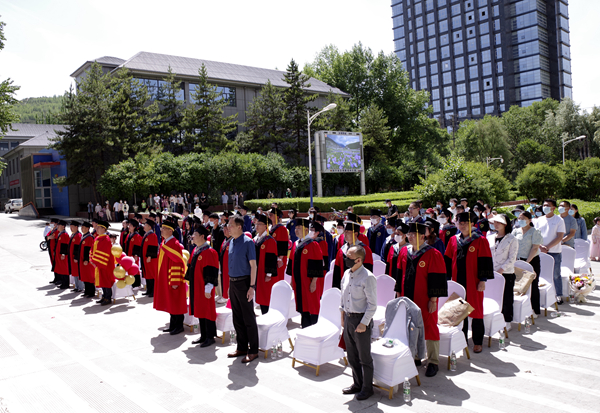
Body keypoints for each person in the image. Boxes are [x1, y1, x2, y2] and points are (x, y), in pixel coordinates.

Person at [395, 222, 447, 377]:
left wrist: (433, 300)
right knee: (410, 325)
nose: (410, 237)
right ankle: (416, 356)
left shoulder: (433, 254)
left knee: (429, 326)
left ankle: (433, 361)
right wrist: (398, 293)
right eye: (409, 234)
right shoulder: (404, 251)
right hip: (407, 296)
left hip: (424, 298)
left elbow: (437, 279)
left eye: (413, 234)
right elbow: (399, 273)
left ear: (422, 236)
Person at [444, 211, 494, 353]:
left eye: (465, 223)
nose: (462, 226)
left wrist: (483, 280)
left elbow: (485, 261)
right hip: (457, 281)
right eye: (460, 223)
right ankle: (463, 340)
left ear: (472, 224)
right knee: (460, 311)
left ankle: (478, 341)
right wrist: (448, 280)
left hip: (474, 281)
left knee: (476, 310)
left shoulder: (480, 240)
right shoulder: (453, 240)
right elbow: (448, 260)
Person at [340, 245, 377, 400]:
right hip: (348, 318)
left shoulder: (368, 277)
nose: (346, 259)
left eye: (349, 257)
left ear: (359, 260)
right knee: (352, 356)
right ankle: (357, 384)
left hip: (360, 320)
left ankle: (367, 388)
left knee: (364, 357)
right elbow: (343, 297)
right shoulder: (346, 273)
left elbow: (372, 305)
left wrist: (364, 323)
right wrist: (342, 316)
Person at [226, 215, 259, 363]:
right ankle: (242, 347)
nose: (228, 227)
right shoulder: (231, 242)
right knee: (237, 317)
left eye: (231, 225)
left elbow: (253, 266)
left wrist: (252, 287)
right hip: (233, 282)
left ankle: (253, 350)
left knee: (248, 317)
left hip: (244, 282)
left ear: (239, 227)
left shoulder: (248, 242)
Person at [287, 218, 324, 328]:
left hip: (308, 281)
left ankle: (314, 328)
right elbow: (292, 263)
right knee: (303, 306)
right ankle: (305, 327)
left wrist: (314, 282)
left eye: (299, 228)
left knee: (311, 305)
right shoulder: (296, 244)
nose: (296, 230)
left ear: (306, 230)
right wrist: (292, 280)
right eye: (295, 228)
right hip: (299, 281)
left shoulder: (313, 244)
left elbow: (317, 264)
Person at [186, 224, 219, 347]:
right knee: (200, 310)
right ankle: (203, 335)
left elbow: (211, 271)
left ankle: (210, 336)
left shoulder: (209, 252)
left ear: (202, 236)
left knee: (207, 310)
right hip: (196, 286)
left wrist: (208, 287)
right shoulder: (196, 250)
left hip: (205, 287)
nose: (192, 237)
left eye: (195, 235)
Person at [154, 217, 187, 335]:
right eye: (162, 228)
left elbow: (177, 264)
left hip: (172, 278)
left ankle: (179, 326)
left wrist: (175, 281)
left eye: (164, 228)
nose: (161, 230)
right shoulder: (165, 243)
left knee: (176, 302)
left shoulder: (175, 244)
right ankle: (173, 325)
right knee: (170, 302)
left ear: (170, 231)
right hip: (165, 277)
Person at [488, 214, 518, 330]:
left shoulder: (512, 239)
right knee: (492, 295)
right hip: (491, 271)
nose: (495, 224)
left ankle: (507, 320)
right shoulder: (490, 237)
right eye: (494, 222)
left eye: (499, 222)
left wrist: (501, 270)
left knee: (506, 297)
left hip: (506, 272)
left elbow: (512, 258)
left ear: (505, 224)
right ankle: (495, 318)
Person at [535, 199, 566, 304]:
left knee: (556, 274)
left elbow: (559, 237)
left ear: (553, 208)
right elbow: (535, 235)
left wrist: (547, 247)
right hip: (539, 251)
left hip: (554, 252)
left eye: (547, 205)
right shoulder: (539, 220)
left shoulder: (559, 220)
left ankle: (558, 294)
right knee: (540, 273)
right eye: (544, 205)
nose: (545, 207)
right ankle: (541, 295)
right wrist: (540, 247)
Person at [512, 211, 543, 316]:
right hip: (518, 261)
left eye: (523, 219)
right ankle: (521, 310)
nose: (520, 220)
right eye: (519, 218)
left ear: (529, 220)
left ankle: (535, 309)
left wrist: (526, 263)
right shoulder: (515, 231)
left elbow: (535, 248)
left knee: (533, 285)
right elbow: (513, 245)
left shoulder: (535, 231)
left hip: (532, 260)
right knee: (519, 285)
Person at [332, 220, 374, 289]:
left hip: (359, 288)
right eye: (345, 232)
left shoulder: (365, 249)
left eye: (348, 232)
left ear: (356, 234)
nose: (345, 234)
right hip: (344, 287)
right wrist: (337, 288)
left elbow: (368, 270)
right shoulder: (342, 250)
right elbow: (337, 271)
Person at [253, 214, 279, 314]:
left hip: (265, 273)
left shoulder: (270, 240)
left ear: (265, 226)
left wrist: (269, 274)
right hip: (257, 271)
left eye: (259, 224)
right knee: (260, 294)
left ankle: (267, 314)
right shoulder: (256, 239)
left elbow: (271, 258)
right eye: (256, 224)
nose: (257, 226)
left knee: (266, 295)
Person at [90, 219, 116, 305]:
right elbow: (92, 249)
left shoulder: (106, 239)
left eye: (99, 227)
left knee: (106, 280)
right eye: (97, 227)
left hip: (105, 264)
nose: (96, 229)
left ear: (104, 229)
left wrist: (95, 261)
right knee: (102, 280)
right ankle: (104, 296)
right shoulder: (98, 238)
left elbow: (104, 252)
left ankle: (108, 298)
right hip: (99, 263)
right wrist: (92, 259)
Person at [268, 208, 289, 285]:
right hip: (271, 257)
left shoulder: (282, 228)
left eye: (271, 215)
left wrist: (280, 259)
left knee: (277, 279)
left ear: (277, 216)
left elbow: (283, 245)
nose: (269, 217)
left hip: (278, 259)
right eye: (269, 215)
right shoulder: (270, 228)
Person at [141, 217, 159, 297]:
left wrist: (149, 256)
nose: (144, 226)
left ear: (149, 227)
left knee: (151, 274)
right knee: (147, 274)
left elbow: (153, 246)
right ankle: (149, 290)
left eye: (145, 225)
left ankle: (153, 291)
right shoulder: (146, 234)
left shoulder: (152, 235)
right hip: (146, 258)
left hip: (150, 259)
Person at [77, 221, 96, 298]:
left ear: (88, 228)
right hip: (82, 260)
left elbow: (89, 249)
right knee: (85, 275)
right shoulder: (84, 236)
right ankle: (87, 291)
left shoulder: (90, 237)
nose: (82, 229)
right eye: (81, 227)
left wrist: (86, 259)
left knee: (89, 276)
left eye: (84, 227)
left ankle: (91, 292)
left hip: (87, 261)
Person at [53, 220, 71, 289]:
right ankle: (63, 283)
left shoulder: (64, 234)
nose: (57, 227)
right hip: (59, 254)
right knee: (61, 268)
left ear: (63, 226)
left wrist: (63, 254)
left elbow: (64, 245)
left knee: (64, 269)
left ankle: (65, 284)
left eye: (59, 225)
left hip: (63, 255)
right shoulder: (60, 233)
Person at [218, 223, 233, 304]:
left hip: (229, 264)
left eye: (226, 229)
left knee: (227, 280)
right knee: (223, 279)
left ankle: (226, 296)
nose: (224, 231)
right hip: (223, 263)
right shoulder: (225, 240)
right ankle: (224, 295)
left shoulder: (232, 240)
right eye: (224, 229)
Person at [68, 221, 83, 293]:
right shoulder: (73, 235)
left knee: (78, 272)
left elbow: (77, 247)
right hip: (72, 257)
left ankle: (80, 287)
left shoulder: (78, 235)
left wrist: (76, 257)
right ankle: (76, 286)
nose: (71, 228)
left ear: (76, 227)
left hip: (75, 257)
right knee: (74, 272)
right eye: (70, 227)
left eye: (72, 227)